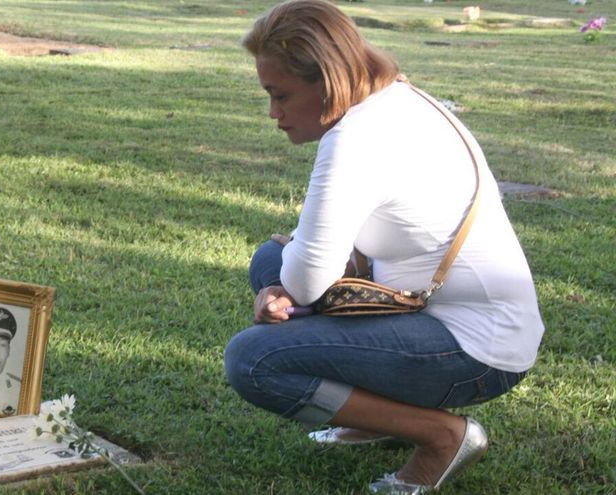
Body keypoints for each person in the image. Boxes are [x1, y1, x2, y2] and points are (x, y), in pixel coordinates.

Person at [223, 1, 545, 493]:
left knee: (253, 360)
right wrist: (286, 282)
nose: (274, 113)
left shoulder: (355, 138)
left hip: (477, 348)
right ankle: (374, 418)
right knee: (271, 261)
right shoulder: (395, 98)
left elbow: (306, 281)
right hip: (432, 307)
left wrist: (288, 288)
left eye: (280, 95)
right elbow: (310, 265)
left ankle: (442, 437)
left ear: (327, 82)